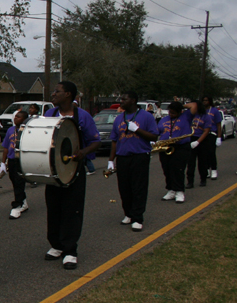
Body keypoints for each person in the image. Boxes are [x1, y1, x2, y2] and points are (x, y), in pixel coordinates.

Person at [43, 82, 101, 270]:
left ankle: (70, 250)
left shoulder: (83, 116)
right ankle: (56, 245)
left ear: (68, 95)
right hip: (54, 171)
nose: (53, 94)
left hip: (74, 170)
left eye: (57, 92)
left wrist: (83, 153)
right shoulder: (49, 115)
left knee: (72, 210)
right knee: (54, 208)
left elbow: (95, 141)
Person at [107, 92, 159, 231]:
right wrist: (111, 160)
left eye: (124, 99)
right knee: (124, 188)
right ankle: (128, 214)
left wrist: (138, 130)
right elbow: (114, 140)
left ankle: (137, 217)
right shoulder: (119, 118)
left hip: (140, 156)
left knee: (138, 188)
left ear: (134, 101)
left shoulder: (146, 116)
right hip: (123, 157)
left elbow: (154, 136)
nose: (121, 101)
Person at [157, 101, 192, 204]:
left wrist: (181, 106)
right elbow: (157, 131)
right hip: (165, 146)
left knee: (177, 169)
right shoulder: (163, 120)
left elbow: (194, 105)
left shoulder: (186, 117)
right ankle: (171, 190)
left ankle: (179, 191)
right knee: (167, 169)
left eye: (173, 112)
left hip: (180, 147)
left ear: (180, 112)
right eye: (170, 112)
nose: (171, 114)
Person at [1, 110, 29, 219]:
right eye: (15, 116)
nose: (15, 118)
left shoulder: (28, 131)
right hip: (12, 160)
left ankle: (17, 206)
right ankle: (23, 201)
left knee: (19, 181)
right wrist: (3, 162)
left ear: (24, 119)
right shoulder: (10, 130)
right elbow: (6, 147)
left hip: (22, 160)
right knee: (14, 180)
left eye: (18, 117)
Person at [185, 100, 213, 189]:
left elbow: (206, 131)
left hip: (202, 140)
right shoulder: (190, 115)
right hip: (191, 138)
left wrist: (198, 142)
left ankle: (203, 179)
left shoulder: (206, 117)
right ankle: (190, 181)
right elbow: (184, 106)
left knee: (202, 161)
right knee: (190, 162)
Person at [202, 96, 222, 180]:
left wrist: (219, 137)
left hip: (212, 134)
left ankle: (214, 169)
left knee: (211, 153)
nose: (204, 102)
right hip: (202, 134)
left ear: (210, 101)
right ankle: (206, 170)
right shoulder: (201, 111)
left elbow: (218, 125)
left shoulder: (214, 111)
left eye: (206, 100)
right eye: (203, 100)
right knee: (204, 154)